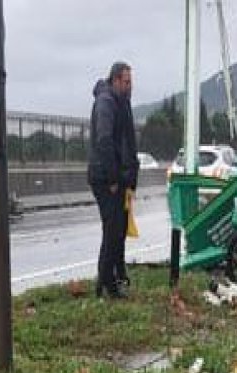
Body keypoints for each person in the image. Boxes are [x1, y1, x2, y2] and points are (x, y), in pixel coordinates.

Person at [87, 61, 138, 299]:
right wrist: (113, 178)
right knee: (113, 229)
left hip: (117, 175)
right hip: (105, 177)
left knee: (116, 230)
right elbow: (104, 141)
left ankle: (108, 279)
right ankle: (108, 284)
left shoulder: (119, 102)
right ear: (116, 80)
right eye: (127, 82)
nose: (130, 86)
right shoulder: (106, 103)